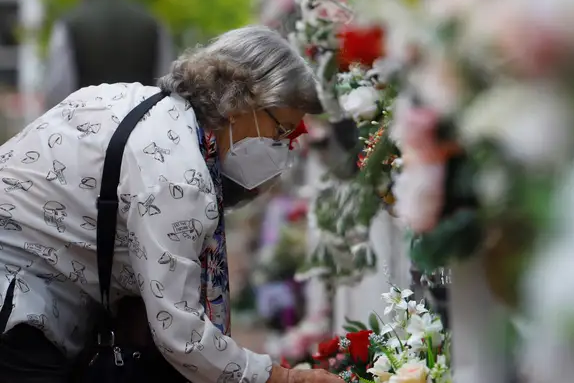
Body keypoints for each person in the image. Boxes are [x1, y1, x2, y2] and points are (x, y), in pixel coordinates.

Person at [0, 26, 342, 383]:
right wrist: (282, 378)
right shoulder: (177, 173)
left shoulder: (144, 105)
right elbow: (179, 332)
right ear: (243, 101)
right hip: (16, 306)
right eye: (281, 131)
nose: (283, 147)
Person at [43, 0, 175, 109]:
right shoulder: (151, 22)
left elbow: (58, 86)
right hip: (141, 121)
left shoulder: (71, 23)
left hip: (87, 121)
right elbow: (165, 77)